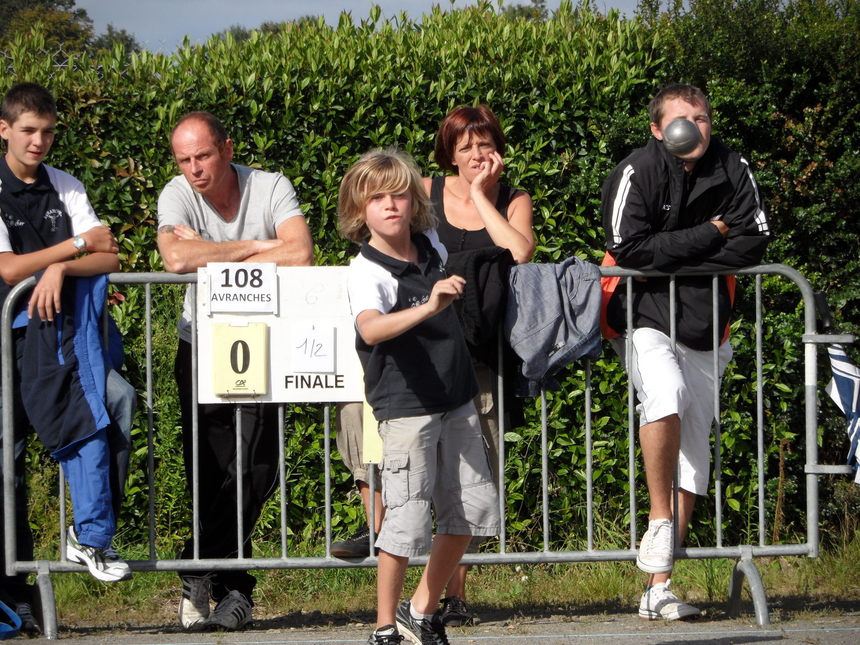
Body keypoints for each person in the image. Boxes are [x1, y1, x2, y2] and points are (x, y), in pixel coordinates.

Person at [600, 83, 771, 620]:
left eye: (702, 118)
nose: (694, 127)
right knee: (665, 392)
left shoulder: (732, 166)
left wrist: (683, 254)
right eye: (681, 119)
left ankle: (658, 585)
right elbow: (627, 248)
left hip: (707, 325)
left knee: (695, 457)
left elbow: (757, 237)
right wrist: (712, 233)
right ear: (657, 128)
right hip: (646, 317)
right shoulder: (638, 171)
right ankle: (658, 520)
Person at [156, 111, 312, 631]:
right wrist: (258, 247)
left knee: (258, 467)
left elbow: (302, 253)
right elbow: (175, 260)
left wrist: (213, 256)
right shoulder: (176, 193)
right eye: (184, 159)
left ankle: (196, 561)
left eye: (202, 156)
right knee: (209, 469)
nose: (194, 169)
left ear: (226, 148)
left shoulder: (269, 187)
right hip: (199, 344)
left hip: (264, 342)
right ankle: (233, 587)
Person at [338, 148, 501, 645]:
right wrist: (429, 305)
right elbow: (371, 328)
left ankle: (421, 608)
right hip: (406, 408)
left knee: (471, 513)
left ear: (414, 202)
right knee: (404, 523)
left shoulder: (429, 242)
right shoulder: (366, 270)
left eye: (399, 195)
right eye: (377, 198)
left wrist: (477, 186)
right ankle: (384, 627)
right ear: (359, 210)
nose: (391, 205)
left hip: (457, 399)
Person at [0, 83, 132, 619]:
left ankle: (90, 533)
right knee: (6, 467)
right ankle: (15, 597)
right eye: (28, 130)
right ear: (4, 129)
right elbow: (7, 270)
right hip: (8, 346)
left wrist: (57, 267)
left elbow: (111, 256)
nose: (39, 141)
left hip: (66, 341)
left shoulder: (67, 185)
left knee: (117, 400)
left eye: (48, 131)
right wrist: (73, 246)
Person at [422, 104, 535, 626]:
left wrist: (479, 199)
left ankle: (454, 596)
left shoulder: (514, 199)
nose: (474, 154)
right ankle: (411, 592)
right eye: (464, 146)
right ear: (448, 152)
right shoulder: (422, 191)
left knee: (468, 474)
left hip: (478, 357)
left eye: (483, 144)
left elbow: (519, 251)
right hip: (419, 348)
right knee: (414, 473)